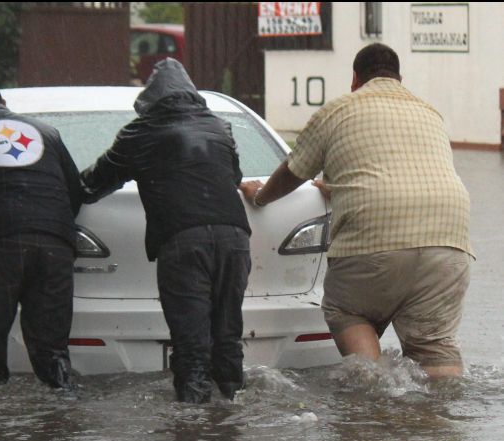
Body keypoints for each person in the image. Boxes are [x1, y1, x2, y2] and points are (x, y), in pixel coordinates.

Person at [240, 43, 474, 378]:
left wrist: (260, 196)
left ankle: (372, 394)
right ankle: (439, 421)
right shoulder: (429, 112)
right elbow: (395, 172)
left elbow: (294, 171)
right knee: (435, 349)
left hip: (374, 242)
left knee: (347, 311)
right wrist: (338, 185)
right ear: (399, 77)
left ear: (354, 78)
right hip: (448, 242)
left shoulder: (338, 111)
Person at [81, 58, 252, 403]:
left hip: (184, 242)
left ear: (149, 98)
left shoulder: (140, 132)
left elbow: (94, 184)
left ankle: (192, 434)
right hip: (235, 238)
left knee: (191, 345)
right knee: (227, 336)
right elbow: (232, 178)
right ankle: (232, 416)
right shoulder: (220, 126)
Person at [0, 74, 82, 389]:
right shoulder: (48, 134)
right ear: (4, 103)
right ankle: (63, 411)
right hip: (56, 244)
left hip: (3, 245)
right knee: (52, 349)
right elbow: (74, 191)